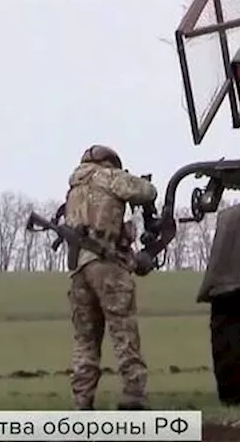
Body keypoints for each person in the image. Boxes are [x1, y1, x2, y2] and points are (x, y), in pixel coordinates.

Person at [64, 144, 159, 411]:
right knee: (123, 329)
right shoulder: (108, 177)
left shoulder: (74, 186)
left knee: (85, 339)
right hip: (107, 264)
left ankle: (82, 403)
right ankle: (133, 394)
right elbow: (147, 191)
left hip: (78, 269)